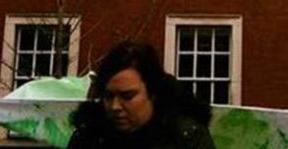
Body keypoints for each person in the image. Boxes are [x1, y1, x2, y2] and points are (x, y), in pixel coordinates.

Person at [69, 40, 216, 149]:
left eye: (127, 97)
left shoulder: (187, 136)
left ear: (152, 94)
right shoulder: (89, 136)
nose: (115, 106)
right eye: (108, 97)